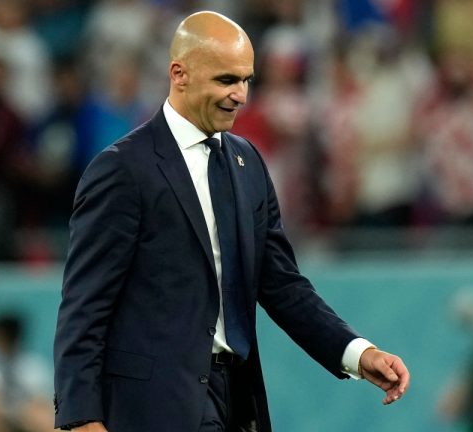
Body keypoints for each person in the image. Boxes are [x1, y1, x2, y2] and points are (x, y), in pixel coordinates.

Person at [53, 11, 410, 432]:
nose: (241, 94)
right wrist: (80, 418)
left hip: (235, 402)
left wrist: (356, 352)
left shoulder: (248, 164)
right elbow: (85, 305)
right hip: (152, 405)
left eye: (246, 80)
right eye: (226, 80)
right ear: (179, 73)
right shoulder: (122, 170)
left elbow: (283, 285)